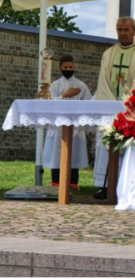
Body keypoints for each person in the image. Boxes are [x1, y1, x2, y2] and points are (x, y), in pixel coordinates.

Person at [93, 17, 135, 199]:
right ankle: (105, 185)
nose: (122, 33)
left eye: (126, 29)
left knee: (132, 146)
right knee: (107, 144)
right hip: (111, 107)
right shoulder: (109, 53)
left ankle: (131, 184)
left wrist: (134, 102)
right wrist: (113, 104)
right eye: (119, 29)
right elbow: (103, 82)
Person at [43, 55, 92, 192]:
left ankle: (73, 182)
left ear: (74, 67)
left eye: (71, 67)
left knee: (74, 153)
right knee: (56, 154)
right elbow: (50, 103)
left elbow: (88, 104)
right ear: (60, 68)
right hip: (58, 124)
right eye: (66, 67)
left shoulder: (81, 85)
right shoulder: (55, 85)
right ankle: (56, 182)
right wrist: (65, 95)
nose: (69, 69)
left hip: (75, 125)